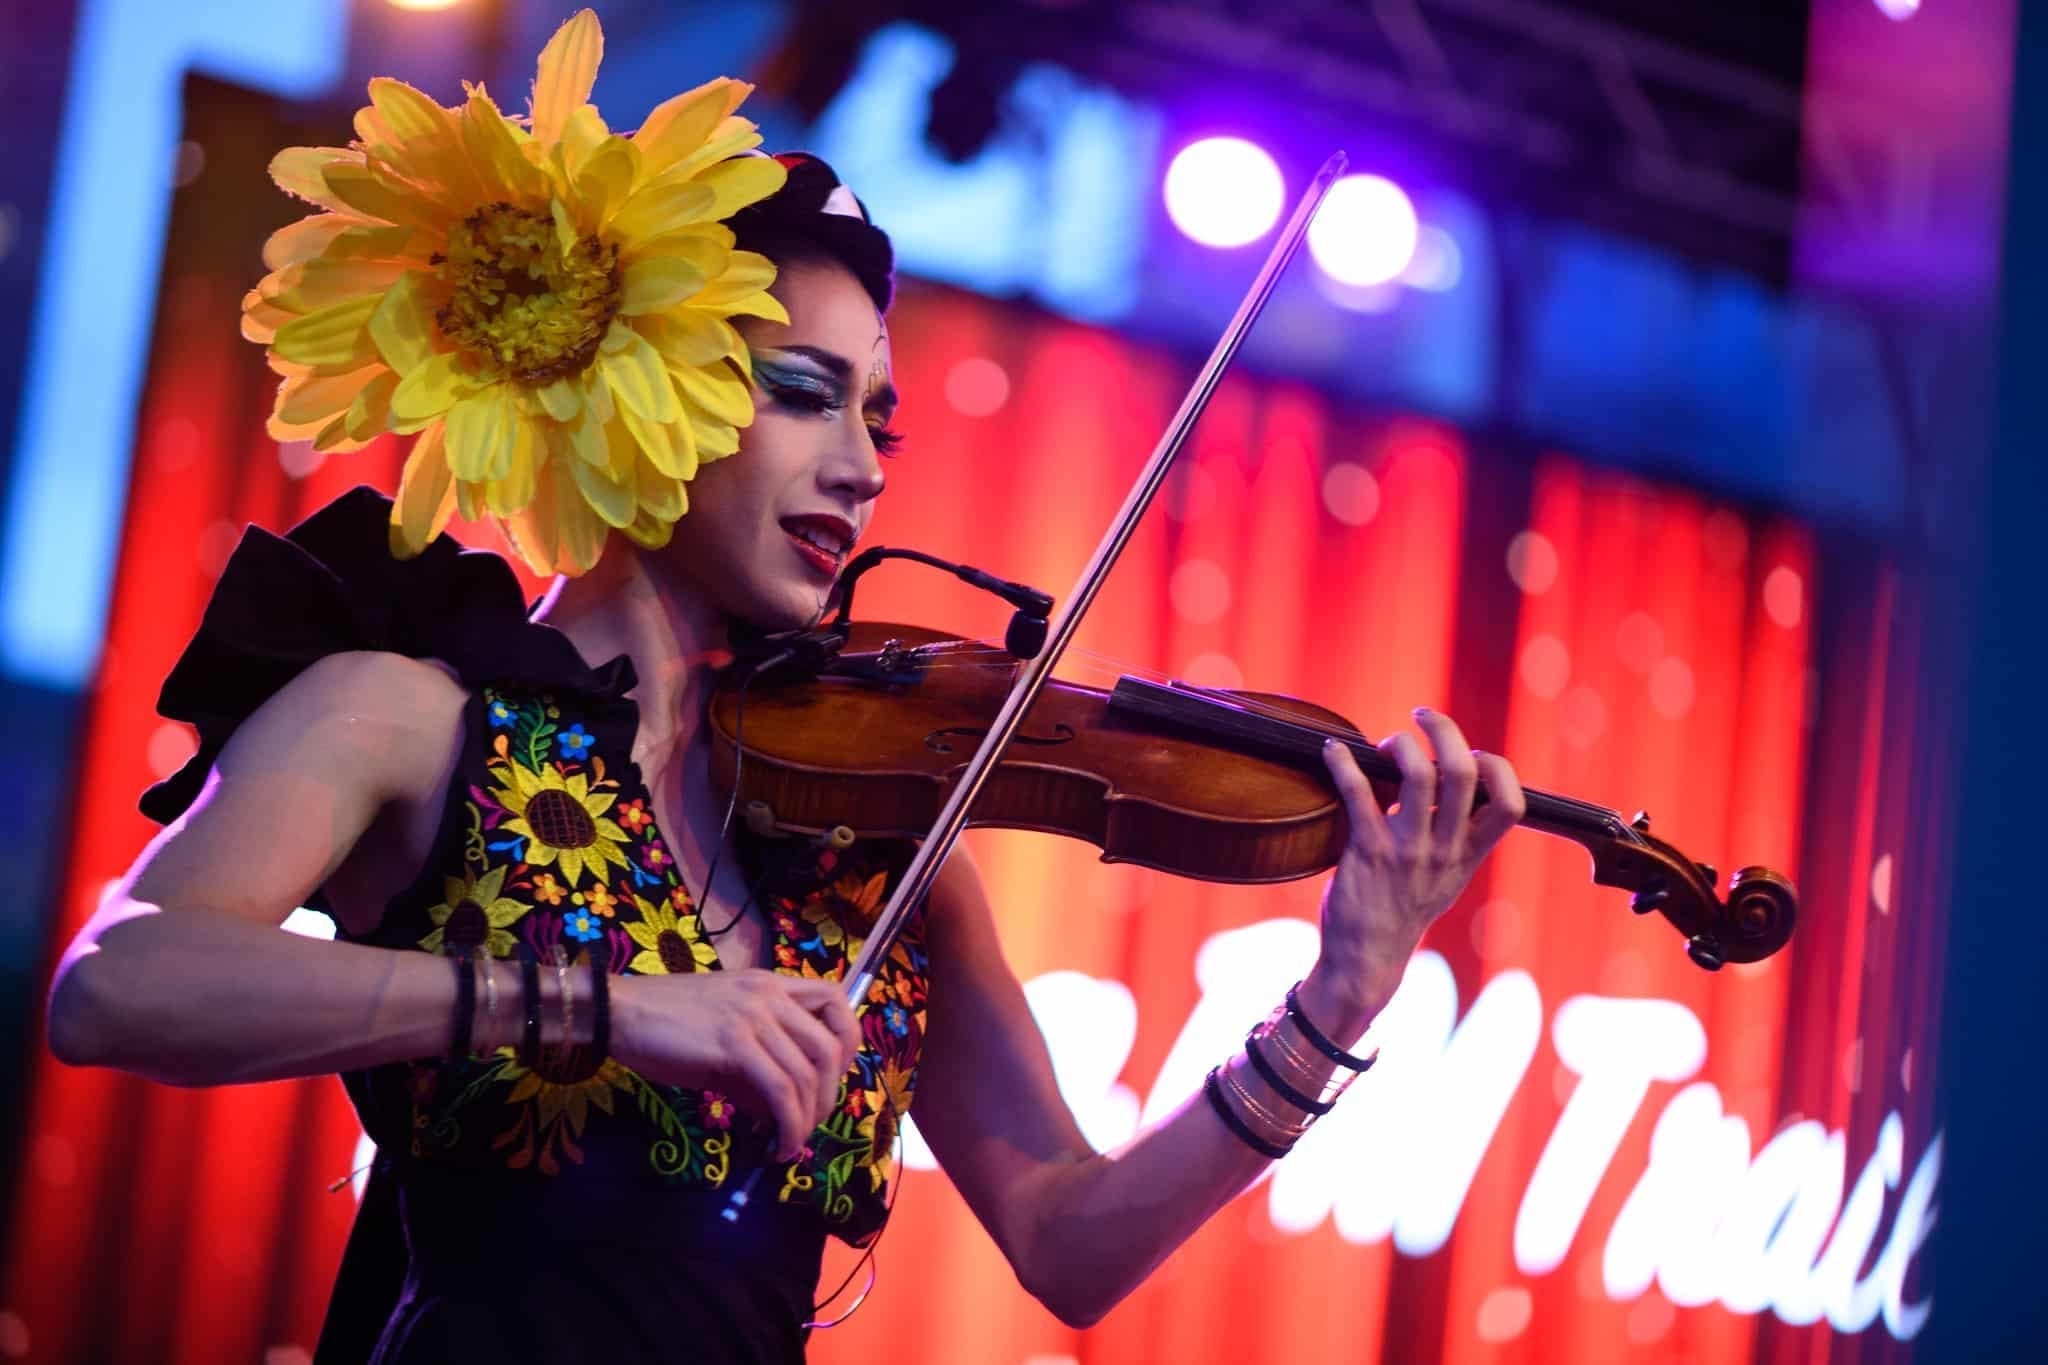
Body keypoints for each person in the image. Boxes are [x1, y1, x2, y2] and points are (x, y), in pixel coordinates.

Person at [43, 12, 1527, 1363]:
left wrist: (1339, 997)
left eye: (881, 420)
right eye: (805, 396)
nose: (864, 469)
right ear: (634, 381)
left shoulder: (872, 847)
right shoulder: (410, 716)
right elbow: (120, 985)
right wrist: (607, 1012)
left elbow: (1070, 1240)